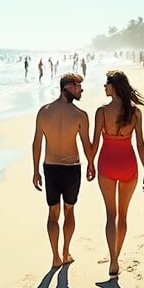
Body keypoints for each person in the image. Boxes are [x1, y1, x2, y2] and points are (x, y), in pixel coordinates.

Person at [88, 70, 144, 278]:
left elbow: (95, 143)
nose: (104, 87)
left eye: (106, 84)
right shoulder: (135, 113)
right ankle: (117, 258)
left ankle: (113, 260)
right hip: (129, 164)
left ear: (114, 87)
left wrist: (89, 163)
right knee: (123, 215)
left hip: (107, 163)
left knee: (110, 215)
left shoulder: (102, 112)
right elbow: (140, 144)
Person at [31, 73, 93, 269]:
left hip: (50, 168)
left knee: (52, 213)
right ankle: (65, 252)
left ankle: (56, 256)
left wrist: (35, 170)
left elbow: (37, 144)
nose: (81, 90)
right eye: (78, 86)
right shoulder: (80, 115)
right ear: (68, 87)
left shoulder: (44, 112)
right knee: (68, 210)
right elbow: (86, 145)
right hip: (71, 168)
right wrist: (91, 163)